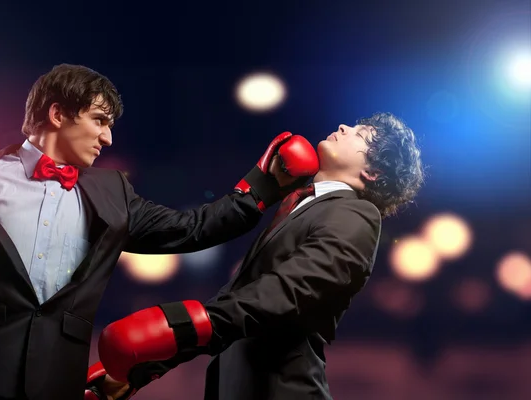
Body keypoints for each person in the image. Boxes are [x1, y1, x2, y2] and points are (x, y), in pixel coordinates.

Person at [0, 63, 320, 400]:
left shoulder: (113, 190)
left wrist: (260, 188)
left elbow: (192, 228)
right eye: (99, 120)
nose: (108, 137)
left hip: (55, 386)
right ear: (57, 114)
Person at [86, 112, 425, 400]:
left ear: (373, 173)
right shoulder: (302, 204)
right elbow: (241, 302)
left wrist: (184, 325)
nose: (343, 129)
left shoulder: (356, 213)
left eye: (360, 135)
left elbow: (288, 292)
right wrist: (141, 369)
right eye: (352, 125)